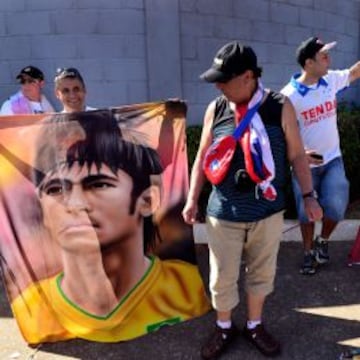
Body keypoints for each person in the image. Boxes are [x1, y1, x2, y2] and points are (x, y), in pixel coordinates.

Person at [10, 110, 210, 344]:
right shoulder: (34, 306)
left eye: (98, 184)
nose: (74, 204)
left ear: (148, 200)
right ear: (41, 207)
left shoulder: (184, 290)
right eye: (55, 189)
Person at [182, 41, 323, 359]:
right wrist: (192, 199)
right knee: (222, 277)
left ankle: (255, 325)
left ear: (247, 76)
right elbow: (203, 157)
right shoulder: (216, 108)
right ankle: (224, 327)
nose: (217, 85)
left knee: (261, 273)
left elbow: (297, 155)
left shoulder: (279, 105)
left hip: (267, 211)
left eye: (223, 78)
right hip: (224, 212)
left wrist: (308, 195)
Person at [281, 37, 360, 275]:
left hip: (333, 160)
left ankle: (322, 241)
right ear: (308, 63)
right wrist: (298, 154)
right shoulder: (289, 96)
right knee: (306, 212)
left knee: (336, 207)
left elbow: (355, 72)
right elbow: (278, 133)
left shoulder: (330, 80)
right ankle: (307, 252)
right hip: (305, 167)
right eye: (323, 56)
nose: (329, 60)